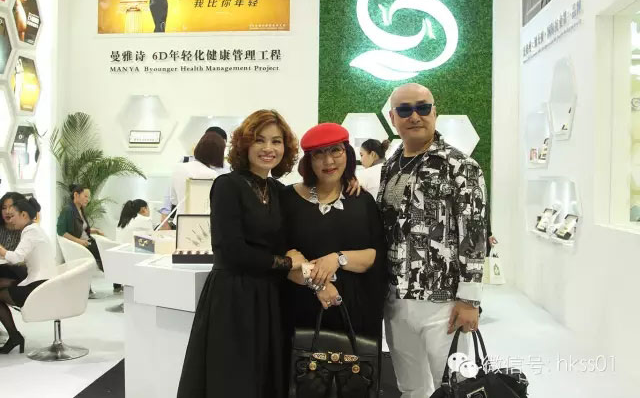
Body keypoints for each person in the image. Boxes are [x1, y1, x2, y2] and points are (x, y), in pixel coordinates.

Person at [177, 109, 307, 398]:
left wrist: (349, 181)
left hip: (272, 298)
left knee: (266, 377)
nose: (268, 148)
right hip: (234, 297)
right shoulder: (228, 185)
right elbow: (231, 250)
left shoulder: (278, 190)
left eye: (276, 141)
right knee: (234, 378)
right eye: (260, 140)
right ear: (245, 144)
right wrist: (287, 263)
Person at [378, 83, 487, 397]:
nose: (415, 116)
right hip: (396, 297)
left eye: (423, 108)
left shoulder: (460, 166)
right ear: (392, 118)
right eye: (404, 110)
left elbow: (474, 232)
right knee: (410, 386)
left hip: (444, 301)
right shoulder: (390, 166)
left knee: (456, 386)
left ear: (434, 112)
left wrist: (469, 300)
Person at [281, 123, 387, 342]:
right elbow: (282, 258)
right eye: (318, 154)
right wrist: (319, 284)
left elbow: (374, 255)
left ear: (347, 153)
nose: (328, 161)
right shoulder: (287, 199)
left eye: (335, 151)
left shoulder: (361, 201)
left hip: (355, 314)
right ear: (308, 161)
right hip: (299, 311)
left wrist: (337, 258)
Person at [0, 198, 56, 354]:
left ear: (23, 215)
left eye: (13, 216)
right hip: (43, 282)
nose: (11, 220)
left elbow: (16, 257)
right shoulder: (35, 229)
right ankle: (14, 336)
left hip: (39, 286)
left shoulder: (30, 231)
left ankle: (14, 336)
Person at [56, 184, 115, 292]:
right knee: (106, 255)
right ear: (76, 195)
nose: (88, 199)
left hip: (87, 241)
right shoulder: (68, 210)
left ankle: (117, 282)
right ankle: (118, 282)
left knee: (108, 253)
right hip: (81, 245)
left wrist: (95, 230)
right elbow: (61, 231)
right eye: (85, 196)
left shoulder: (80, 209)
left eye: (89, 197)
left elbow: (80, 228)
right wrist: (78, 241)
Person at [170, 131, 227, 216]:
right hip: (203, 220)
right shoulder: (212, 175)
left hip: (180, 219)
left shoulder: (178, 168)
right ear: (218, 154)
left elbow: (174, 200)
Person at [0, 192, 28, 283]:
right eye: (4, 208)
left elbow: (24, 261)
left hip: (20, 274)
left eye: (11, 207)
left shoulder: (27, 230)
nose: (7, 211)